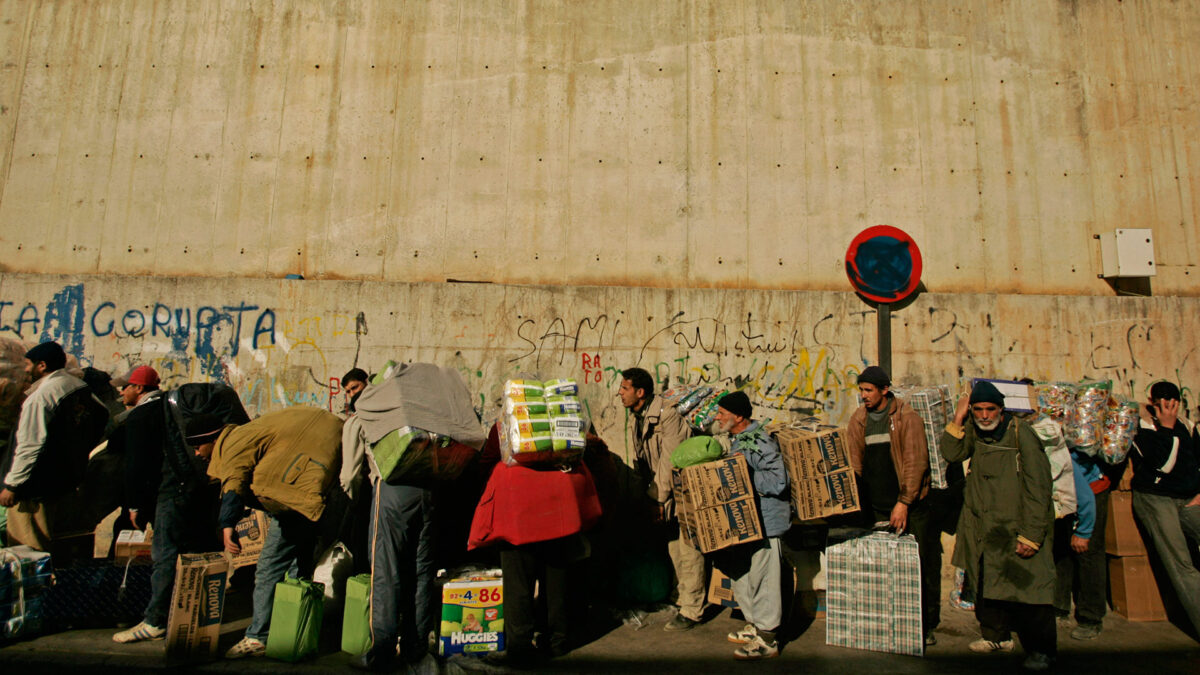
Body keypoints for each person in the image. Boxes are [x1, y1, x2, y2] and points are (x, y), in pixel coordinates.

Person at [191, 406, 344, 659]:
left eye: (198, 447)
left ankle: (257, 637)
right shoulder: (251, 431)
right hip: (311, 496)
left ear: (211, 440)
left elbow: (234, 480)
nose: (197, 454)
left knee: (268, 568)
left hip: (295, 501)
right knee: (298, 568)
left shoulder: (233, 442)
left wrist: (227, 525)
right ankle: (297, 629)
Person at [942, 381, 1056, 671]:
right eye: (978, 410)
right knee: (986, 585)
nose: (983, 415)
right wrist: (958, 418)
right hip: (985, 527)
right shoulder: (975, 431)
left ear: (1001, 410)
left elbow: (1038, 486)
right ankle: (996, 637)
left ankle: (1042, 651)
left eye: (989, 409)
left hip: (1015, 525)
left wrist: (1031, 534)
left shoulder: (1021, 434)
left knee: (1031, 593)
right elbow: (952, 454)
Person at [845, 366, 940, 645]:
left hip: (909, 505)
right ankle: (886, 623)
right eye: (860, 390)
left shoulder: (906, 417)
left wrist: (904, 502)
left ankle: (925, 626)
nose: (863, 396)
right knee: (882, 570)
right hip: (876, 506)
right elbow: (854, 462)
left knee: (917, 568)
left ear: (884, 390)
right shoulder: (859, 419)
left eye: (868, 390)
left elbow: (915, 462)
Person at [617, 367, 705, 632]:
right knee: (673, 546)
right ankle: (680, 597)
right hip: (661, 491)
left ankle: (692, 610)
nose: (620, 394)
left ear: (640, 392)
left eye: (625, 388)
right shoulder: (638, 416)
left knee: (688, 549)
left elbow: (670, 459)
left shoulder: (668, 414)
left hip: (680, 490)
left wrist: (658, 499)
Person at [0, 341, 106, 552]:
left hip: (33, 490)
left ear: (42, 365)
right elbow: (102, 415)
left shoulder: (41, 397)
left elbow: (30, 444)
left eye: (29, 364)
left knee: (28, 551)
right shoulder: (78, 388)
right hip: (64, 483)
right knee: (59, 545)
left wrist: (12, 485)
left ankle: (37, 586)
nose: (26, 369)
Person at [714, 391, 789, 661]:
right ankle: (757, 625)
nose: (718, 417)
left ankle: (768, 639)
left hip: (767, 523)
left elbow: (778, 481)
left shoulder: (759, 441)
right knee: (745, 577)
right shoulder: (739, 439)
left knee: (765, 581)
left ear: (740, 417)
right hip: (750, 523)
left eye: (722, 413)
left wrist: (743, 481)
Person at [1129, 381, 1200, 638]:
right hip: (1156, 498)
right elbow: (1163, 465)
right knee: (1182, 564)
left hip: (1188, 497)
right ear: (1152, 402)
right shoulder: (1140, 427)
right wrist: (1167, 428)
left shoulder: (1188, 426)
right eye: (1162, 402)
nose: (1168, 406)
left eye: (1172, 401)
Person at [1053, 447, 1105, 640]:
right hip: (1065, 495)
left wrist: (1084, 532)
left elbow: (1086, 499)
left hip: (1090, 491)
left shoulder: (1061, 461)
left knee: (1086, 553)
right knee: (1061, 548)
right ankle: (1058, 606)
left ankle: (1091, 618)